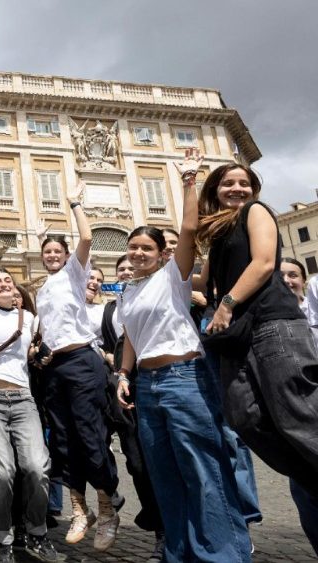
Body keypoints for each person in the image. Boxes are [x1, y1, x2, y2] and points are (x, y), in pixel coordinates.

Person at [114, 146, 252, 562]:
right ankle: (179, 553)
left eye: (145, 248)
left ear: (161, 254)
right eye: (132, 247)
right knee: (165, 475)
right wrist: (123, 374)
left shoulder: (173, 277)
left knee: (202, 470)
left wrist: (189, 181)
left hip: (184, 378)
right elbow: (132, 338)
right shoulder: (129, 291)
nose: (137, 253)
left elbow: (189, 229)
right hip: (148, 386)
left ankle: (223, 554)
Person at [194, 159, 318, 551]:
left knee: (299, 418)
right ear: (214, 191)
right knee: (244, 417)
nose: (237, 189)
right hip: (238, 338)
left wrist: (227, 303)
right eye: (227, 183)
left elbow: (264, 262)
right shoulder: (219, 233)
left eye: (243, 183)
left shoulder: (256, 212)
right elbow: (199, 279)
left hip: (272, 325)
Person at [34, 181, 120, 551]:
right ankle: (79, 508)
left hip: (83, 362)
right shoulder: (41, 289)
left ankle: (107, 506)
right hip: (55, 368)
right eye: (47, 251)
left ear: (67, 256)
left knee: (90, 434)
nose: (52, 255)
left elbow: (86, 238)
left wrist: (74, 204)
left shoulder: (74, 272)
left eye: (57, 251)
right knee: (64, 440)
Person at [0, 268, 58, 563]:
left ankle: (36, 531)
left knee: (37, 467)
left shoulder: (28, 319)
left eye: (7, 280)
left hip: (22, 399)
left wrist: (39, 356)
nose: (4, 284)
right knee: (2, 470)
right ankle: (3, 537)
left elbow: (28, 355)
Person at [98, 255, 166, 560]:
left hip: (158, 383)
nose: (126, 271)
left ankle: (173, 530)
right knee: (137, 464)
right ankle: (159, 528)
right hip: (125, 392)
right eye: (121, 269)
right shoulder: (111, 308)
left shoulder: (160, 294)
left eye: (130, 267)